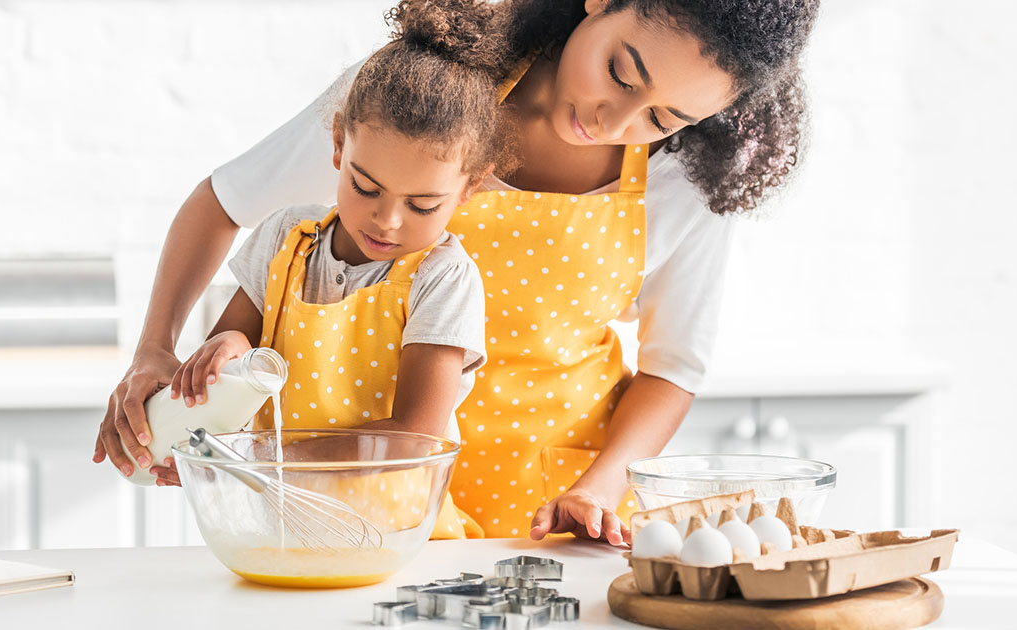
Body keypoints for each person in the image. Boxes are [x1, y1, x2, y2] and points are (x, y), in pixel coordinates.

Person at [94, 0, 820, 545]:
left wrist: (597, 488)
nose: (614, 117)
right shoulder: (424, 96)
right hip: (360, 497)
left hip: (546, 515)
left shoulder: (685, 182)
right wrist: (155, 349)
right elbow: (222, 205)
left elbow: (673, 369)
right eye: (622, 71)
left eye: (662, 116)